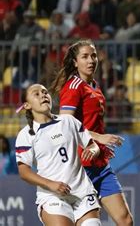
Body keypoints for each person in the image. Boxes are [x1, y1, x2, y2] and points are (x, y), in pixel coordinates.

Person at [50, 40, 133, 226]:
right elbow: (65, 124)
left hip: (99, 163)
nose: (91, 60)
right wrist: (99, 137)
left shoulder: (94, 85)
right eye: (85, 56)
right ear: (75, 62)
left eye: (93, 56)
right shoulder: (74, 86)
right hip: (79, 166)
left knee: (125, 220)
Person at [15, 84, 101, 226]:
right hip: (52, 196)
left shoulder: (68, 121)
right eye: (36, 94)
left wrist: (92, 151)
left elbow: (93, 145)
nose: (43, 95)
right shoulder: (26, 135)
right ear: (27, 105)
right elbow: (24, 172)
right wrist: (51, 184)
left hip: (82, 192)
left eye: (45, 92)